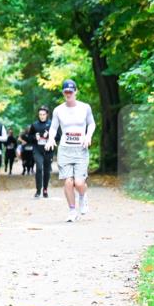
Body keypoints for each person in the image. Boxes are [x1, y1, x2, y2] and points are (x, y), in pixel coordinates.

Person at [44, 79, 95, 222]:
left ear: (75, 92)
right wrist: (50, 139)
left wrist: (88, 136)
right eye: (65, 91)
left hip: (81, 149)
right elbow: (53, 127)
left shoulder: (85, 108)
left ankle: (82, 197)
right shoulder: (58, 110)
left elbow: (91, 124)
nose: (68, 94)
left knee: (79, 183)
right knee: (68, 182)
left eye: (70, 91)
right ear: (63, 92)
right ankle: (72, 211)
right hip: (65, 149)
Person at [29, 105, 53, 199]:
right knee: (39, 168)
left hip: (48, 150)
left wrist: (49, 136)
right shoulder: (34, 125)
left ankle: (45, 189)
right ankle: (38, 190)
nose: (41, 116)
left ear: (47, 115)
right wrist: (35, 137)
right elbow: (29, 138)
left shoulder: (52, 124)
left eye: (43, 114)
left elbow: (58, 137)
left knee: (47, 170)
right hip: (37, 150)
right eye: (40, 114)